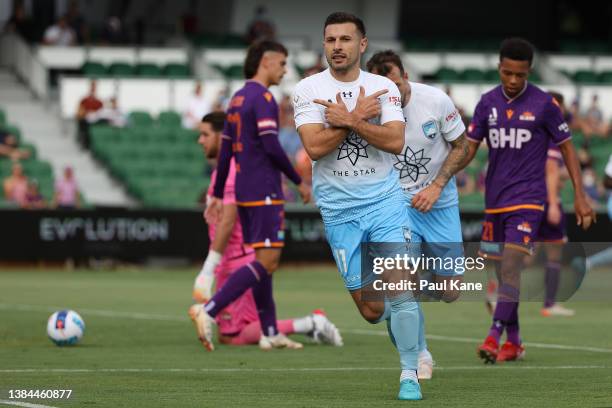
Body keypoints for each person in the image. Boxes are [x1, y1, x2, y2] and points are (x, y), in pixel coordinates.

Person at [293, 12, 422, 400]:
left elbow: (395, 141)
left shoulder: (383, 87)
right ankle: (395, 322)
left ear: (362, 44)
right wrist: (355, 120)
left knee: (401, 292)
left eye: (345, 40)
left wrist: (347, 119)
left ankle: (410, 374)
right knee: (371, 311)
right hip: (339, 212)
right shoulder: (307, 88)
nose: (337, 47)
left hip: (385, 203)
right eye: (330, 40)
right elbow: (314, 146)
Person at [461, 38, 594, 364]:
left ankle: (493, 337)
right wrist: (442, 176)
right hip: (494, 204)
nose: (513, 81)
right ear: (499, 69)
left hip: (529, 200)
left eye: (520, 75)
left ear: (529, 71)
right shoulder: (486, 103)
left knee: (511, 266)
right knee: (502, 273)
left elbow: (567, 148)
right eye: (507, 73)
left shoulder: (545, 104)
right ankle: (516, 341)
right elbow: (468, 148)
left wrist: (579, 194)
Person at [189, 40, 311, 352]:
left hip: (244, 189)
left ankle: (270, 331)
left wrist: (216, 194)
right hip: (264, 189)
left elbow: (227, 148)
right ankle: (210, 310)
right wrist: (298, 180)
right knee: (267, 261)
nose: (285, 70)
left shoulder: (237, 98)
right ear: (266, 61)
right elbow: (271, 146)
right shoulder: (264, 97)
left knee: (262, 262)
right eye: (282, 64)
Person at [193, 111, 342, 347]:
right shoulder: (225, 170)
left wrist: (207, 270)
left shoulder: (233, 170)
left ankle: (311, 323)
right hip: (234, 261)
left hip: (239, 262)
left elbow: (228, 222)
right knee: (236, 333)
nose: (200, 140)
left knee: (234, 335)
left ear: (223, 137)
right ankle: (301, 326)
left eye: (204, 134)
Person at [366, 50, 469, 379]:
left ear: (405, 75)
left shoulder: (436, 101)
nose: (390, 92)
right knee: (403, 283)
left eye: (394, 82)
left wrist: (437, 186)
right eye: (383, 86)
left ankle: (406, 289)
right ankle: (420, 354)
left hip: (440, 204)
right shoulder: (370, 112)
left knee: (450, 291)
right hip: (398, 208)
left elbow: (462, 145)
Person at [535, 92, 575, 317]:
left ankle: (499, 291)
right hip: (546, 200)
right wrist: (552, 203)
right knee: (552, 252)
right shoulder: (552, 133)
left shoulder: (534, 132)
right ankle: (550, 303)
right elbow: (550, 168)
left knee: (525, 252)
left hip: (529, 198)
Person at [76, 81, 103, 149]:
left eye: (94, 87)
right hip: (86, 120)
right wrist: (85, 113)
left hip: (95, 120)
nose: (93, 89)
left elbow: (101, 112)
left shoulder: (99, 102)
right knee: (84, 126)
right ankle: (85, 144)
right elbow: (80, 112)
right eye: (92, 87)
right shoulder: (84, 100)